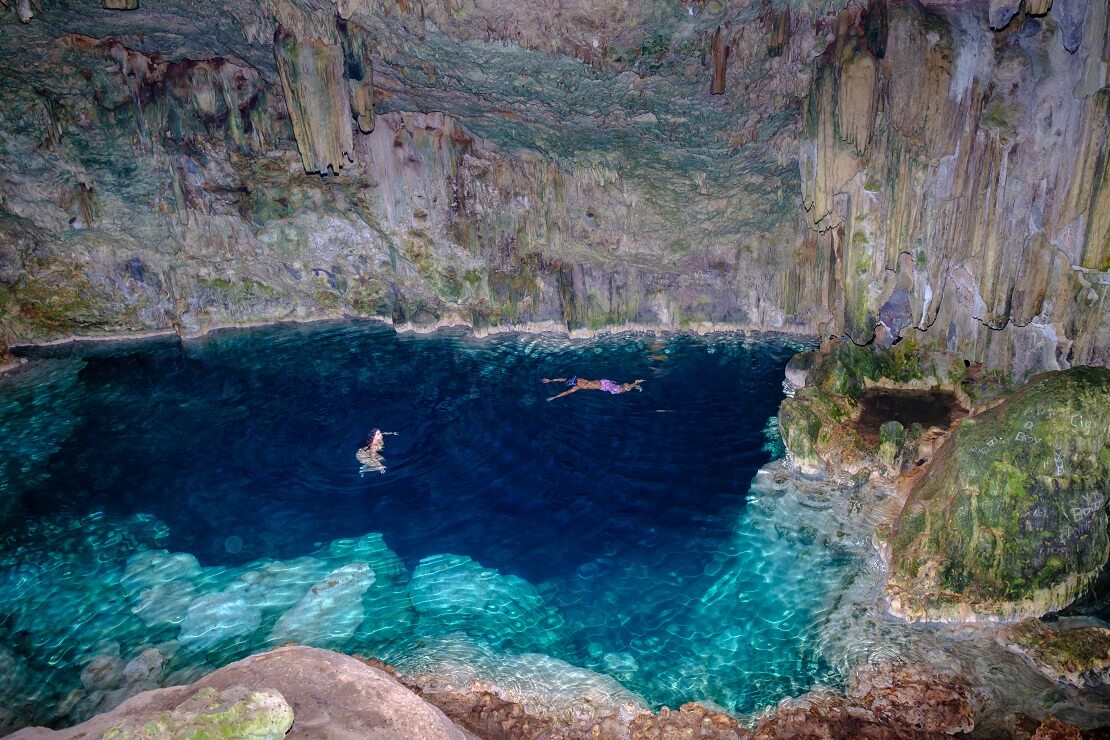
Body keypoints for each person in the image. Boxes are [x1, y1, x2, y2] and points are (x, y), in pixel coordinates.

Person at [542, 375, 645, 401]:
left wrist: (555, 397)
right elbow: (563, 379)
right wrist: (551, 380)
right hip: (603, 381)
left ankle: (635, 383)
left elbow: (567, 392)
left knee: (622, 389)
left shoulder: (577, 386)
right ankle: (635, 385)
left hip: (604, 386)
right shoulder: (577, 379)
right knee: (621, 387)